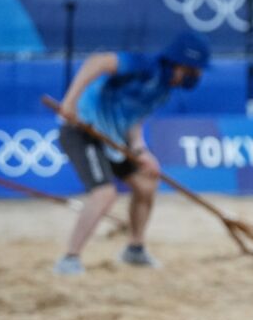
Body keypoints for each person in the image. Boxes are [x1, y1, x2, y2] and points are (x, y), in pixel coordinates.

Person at [53, 32, 211, 275]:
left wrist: (141, 149)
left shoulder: (163, 89)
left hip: (112, 139)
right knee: (104, 194)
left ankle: (134, 249)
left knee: (147, 182)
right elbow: (98, 61)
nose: (198, 75)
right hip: (82, 130)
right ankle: (70, 258)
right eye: (196, 69)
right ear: (182, 65)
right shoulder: (144, 66)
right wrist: (70, 102)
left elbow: (132, 119)